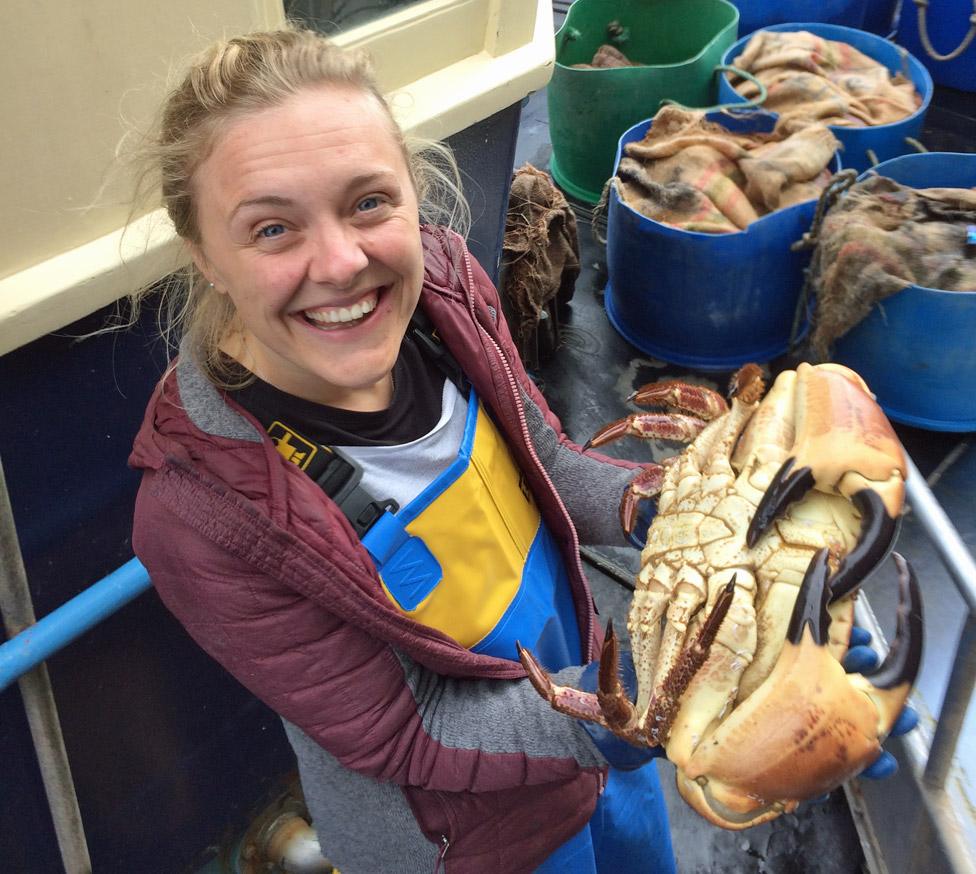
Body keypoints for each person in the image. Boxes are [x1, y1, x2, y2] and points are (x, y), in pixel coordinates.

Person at [126, 25, 910, 874]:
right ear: (203, 255)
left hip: (597, 717)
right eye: (272, 229)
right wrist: (658, 692)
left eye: (368, 203)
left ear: (412, 195)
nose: (342, 262)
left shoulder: (448, 291)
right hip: (470, 836)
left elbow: (546, 462)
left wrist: (697, 516)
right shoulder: (200, 517)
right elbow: (412, 728)